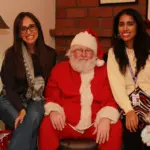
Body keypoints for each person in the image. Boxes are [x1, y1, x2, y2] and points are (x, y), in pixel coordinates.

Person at [38, 29, 122, 150]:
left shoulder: (104, 71)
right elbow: (51, 95)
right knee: (47, 124)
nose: (83, 54)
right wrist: (54, 111)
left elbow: (110, 98)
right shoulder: (59, 69)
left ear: (94, 54)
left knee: (115, 126)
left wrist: (106, 118)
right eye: (78, 50)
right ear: (71, 52)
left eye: (88, 51)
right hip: (65, 124)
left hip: (95, 125)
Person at [0, 12, 56, 150]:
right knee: (28, 123)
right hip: (10, 100)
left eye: (32, 27)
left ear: (38, 28)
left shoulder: (50, 54)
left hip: (37, 100)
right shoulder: (11, 54)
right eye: (23, 29)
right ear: (19, 33)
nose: (28, 32)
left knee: (29, 121)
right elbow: (9, 87)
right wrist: (21, 109)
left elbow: (52, 84)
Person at [107, 8, 150, 150]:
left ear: (138, 26)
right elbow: (116, 84)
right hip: (128, 102)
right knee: (132, 127)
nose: (125, 28)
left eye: (130, 24)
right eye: (121, 24)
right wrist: (128, 110)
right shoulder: (114, 53)